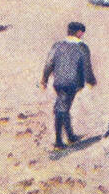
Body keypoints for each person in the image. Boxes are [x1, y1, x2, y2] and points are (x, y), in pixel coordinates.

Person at [40, 21, 96, 149]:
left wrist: (44, 80)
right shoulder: (82, 47)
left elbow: (49, 63)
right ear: (79, 33)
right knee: (62, 109)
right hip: (73, 83)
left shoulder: (57, 45)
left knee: (63, 107)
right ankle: (59, 141)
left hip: (58, 82)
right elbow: (87, 66)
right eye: (82, 33)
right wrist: (91, 81)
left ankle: (70, 135)